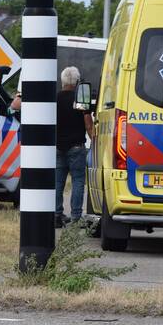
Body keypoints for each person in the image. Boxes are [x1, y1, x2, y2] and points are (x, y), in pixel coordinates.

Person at [55, 66, 95, 228]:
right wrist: (94, 140)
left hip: (58, 146)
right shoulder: (80, 99)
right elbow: (88, 123)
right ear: (77, 81)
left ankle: (56, 215)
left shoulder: (55, 98)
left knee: (58, 182)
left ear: (62, 81)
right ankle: (76, 217)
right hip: (77, 147)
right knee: (78, 181)